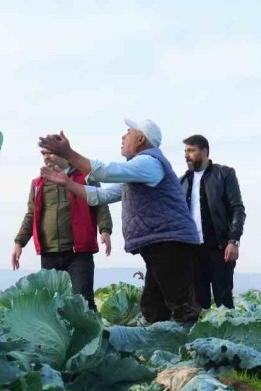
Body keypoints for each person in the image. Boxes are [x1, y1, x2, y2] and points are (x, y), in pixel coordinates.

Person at [38, 119, 202, 324]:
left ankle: (193, 349)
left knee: (181, 305)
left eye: (128, 132)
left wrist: (69, 153)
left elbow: (106, 172)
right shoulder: (137, 172)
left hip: (169, 243)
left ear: (141, 139)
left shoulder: (149, 162)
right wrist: (67, 183)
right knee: (154, 306)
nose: (123, 137)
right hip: (160, 244)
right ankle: (166, 347)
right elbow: (102, 196)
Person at [12, 150, 114, 310]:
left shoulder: (86, 178)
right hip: (49, 253)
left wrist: (105, 230)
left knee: (84, 301)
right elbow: (31, 215)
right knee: (52, 305)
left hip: (79, 253)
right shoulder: (37, 184)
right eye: (43, 154)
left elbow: (101, 205)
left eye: (50, 153)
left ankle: (94, 335)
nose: (46, 157)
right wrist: (19, 243)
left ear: (63, 154)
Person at [179, 134, 247, 309]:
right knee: (198, 305)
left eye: (191, 150)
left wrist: (233, 241)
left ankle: (229, 336)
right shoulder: (182, 182)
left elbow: (237, 209)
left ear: (204, 151)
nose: (187, 155)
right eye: (185, 151)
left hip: (220, 248)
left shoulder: (224, 174)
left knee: (223, 303)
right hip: (192, 251)